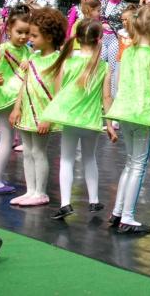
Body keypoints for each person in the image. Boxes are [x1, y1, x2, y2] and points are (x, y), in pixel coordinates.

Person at [104, 5, 150, 234]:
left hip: (125, 112)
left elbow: (120, 82)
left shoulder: (128, 51)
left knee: (130, 163)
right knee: (138, 166)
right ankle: (128, 217)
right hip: (142, 114)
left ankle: (118, 211)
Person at [42, 20, 118, 219]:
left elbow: (58, 91)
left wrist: (52, 114)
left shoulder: (67, 62)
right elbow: (107, 97)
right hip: (91, 120)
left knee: (66, 159)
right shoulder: (104, 66)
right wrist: (110, 124)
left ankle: (66, 203)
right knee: (90, 158)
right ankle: (93, 200)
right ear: (99, 39)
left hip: (70, 118)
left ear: (76, 38)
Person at [8, 8, 68, 207]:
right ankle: (30, 190)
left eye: (34, 36)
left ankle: (41, 192)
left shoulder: (58, 61)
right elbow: (24, 84)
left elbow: (58, 93)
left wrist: (48, 117)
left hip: (43, 113)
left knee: (38, 151)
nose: (30, 39)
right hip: (27, 111)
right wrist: (17, 108)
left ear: (49, 37)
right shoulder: (33, 58)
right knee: (27, 151)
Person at [0, 6, 32, 195]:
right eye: (19, 32)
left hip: (15, 98)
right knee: (7, 140)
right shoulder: (3, 49)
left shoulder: (27, 51)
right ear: (9, 29)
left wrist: (29, 63)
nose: (23, 36)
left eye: (27, 33)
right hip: (5, 98)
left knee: (4, 139)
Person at [100, 0, 127, 96]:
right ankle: (98, 94)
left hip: (115, 39)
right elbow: (96, 17)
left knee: (112, 68)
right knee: (100, 66)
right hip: (101, 37)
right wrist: (101, 24)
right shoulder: (102, 2)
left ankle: (110, 95)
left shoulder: (124, 6)